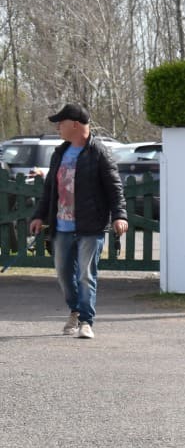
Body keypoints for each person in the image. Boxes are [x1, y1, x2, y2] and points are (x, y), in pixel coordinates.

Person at [28, 103, 127, 340]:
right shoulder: (59, 153)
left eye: (60, 123)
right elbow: (50, 189)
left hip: (91, 227)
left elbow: (114, 188)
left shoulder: (99, 152)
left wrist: (120, 215)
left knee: (85, 275)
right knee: (64, 275)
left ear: (74, 124)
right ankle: (75, 310)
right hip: (62, 226)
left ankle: (86, 321)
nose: (58, 128)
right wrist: (39, 216)